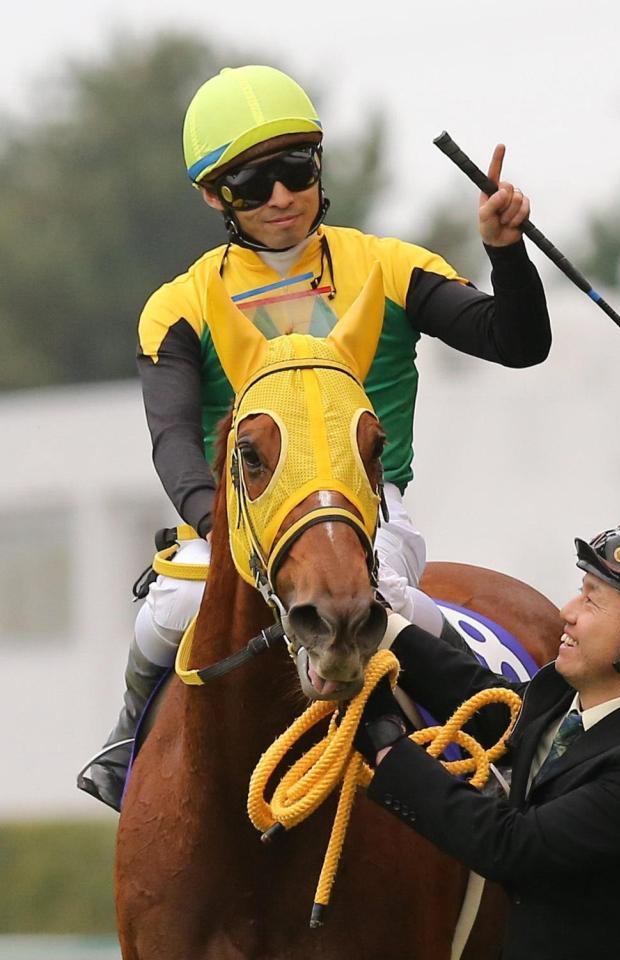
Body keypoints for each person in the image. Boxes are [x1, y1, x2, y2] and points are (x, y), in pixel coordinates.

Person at [77, 64, 552, 810]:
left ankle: (495, 731)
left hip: (369, 508)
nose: (280, 198)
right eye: (250, 185)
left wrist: (505, 253)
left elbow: (516, 342)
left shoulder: (390, 267)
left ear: (319, 166)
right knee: (167, 609)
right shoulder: (178, 306)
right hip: (242, 520)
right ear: (211, 196)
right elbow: (171, 440)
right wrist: (223, 527)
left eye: (295, 170)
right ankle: (124, 742)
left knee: (383, 595)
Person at [356, 523, 620, 960]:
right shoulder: (565, 699)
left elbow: (511, 846)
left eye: (592, 600)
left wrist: (388, 748)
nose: (567, 613)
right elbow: (483, 701)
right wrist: (377, 625)